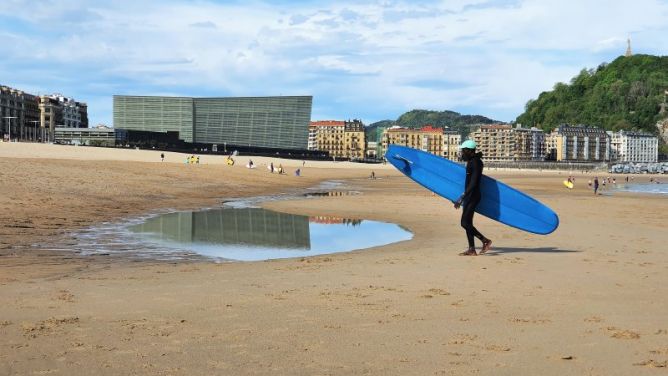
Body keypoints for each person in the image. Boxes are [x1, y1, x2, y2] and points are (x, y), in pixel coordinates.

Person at [454, 140, 492, 256]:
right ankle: (472, 249)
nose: (462, 153)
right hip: (469, 196)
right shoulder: (472, 161)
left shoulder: (475, 162)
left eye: (463, 151)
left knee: (464, 223)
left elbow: (474, 182)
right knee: (468, 223)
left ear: (470, 151)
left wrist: (462, 196)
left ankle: (485, 241)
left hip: (473, 196)